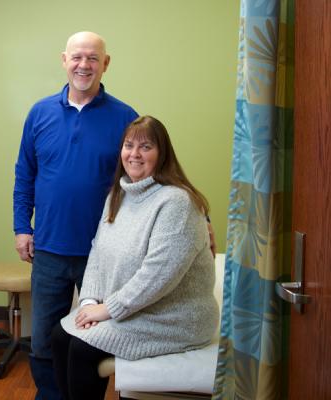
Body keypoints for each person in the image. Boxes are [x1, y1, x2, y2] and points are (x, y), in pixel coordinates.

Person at [50, 115, 220, 400]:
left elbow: (158, 276)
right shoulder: (118, 195)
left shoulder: (177, 201)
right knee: (59, 336)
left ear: (162, 154)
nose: (135, 154)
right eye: (129, 145)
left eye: (146, 147)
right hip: (138, 309)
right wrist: (90, 302)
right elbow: (98, 251)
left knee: (82, 349)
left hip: (175, 318)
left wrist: (107, 310)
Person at [13, 31, 139, 399]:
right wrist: (23, 227)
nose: (84, 65)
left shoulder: (125, 117)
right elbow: (25, 174)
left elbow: (147, 175)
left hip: (103, 252)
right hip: (49, 249)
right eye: (77, 57)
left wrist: (202, 217)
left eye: (93, 58)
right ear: (64, 60)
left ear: (106, 63)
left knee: (96, 338)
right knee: (42, 340)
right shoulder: (40, 113)